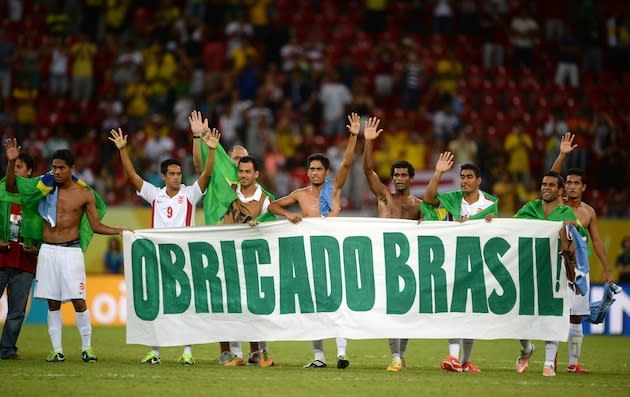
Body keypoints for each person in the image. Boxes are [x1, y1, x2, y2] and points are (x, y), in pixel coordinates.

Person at [6, 142, 127, 363]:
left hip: (71, 251)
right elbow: (13, 187)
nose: (57, 172)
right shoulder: (43, 188)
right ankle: (57, 350)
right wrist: (12, 160)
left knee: (79, 301)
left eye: (62, 167)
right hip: (47, 250)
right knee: (52, 302)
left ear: (72, 168)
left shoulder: (84, 194)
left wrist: (118, 231)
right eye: (54, 167)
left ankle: (87, 348)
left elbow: (96, 225)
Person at [109, 124, 219, 366]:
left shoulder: (190, 194)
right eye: (172, 174)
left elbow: (207, 176)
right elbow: (132, 177)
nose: (177, 177)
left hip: (184, 257)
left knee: (184, 304)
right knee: (157, 304)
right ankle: (154, 352)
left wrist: (210, 151)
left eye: (179, 173)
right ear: (163, 176)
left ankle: (188, 352)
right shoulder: (154, 194)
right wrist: (123, 150)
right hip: (158, 256)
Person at [268, 112, 360, 369]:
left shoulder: (335, 188)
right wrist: (289, 215)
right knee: (314, 306)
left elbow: (348, 164)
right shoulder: (300, 195)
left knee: (338, 303)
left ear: (326, 172)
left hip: (334, 253)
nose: (315, 172)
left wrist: (353, 136)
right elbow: (272, 206)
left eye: (320, 169)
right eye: (312, 169)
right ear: (307, 172)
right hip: (309, 256)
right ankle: (319, 357)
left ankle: (341, 353)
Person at [189, 110, 272, 367]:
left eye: (243, 160)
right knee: (223, 301)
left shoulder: (259, 193)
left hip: (246, 252)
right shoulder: (217, 179)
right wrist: (197, 138)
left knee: (251, 300)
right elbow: (199, 167)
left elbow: (271, 219)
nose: (238, 163)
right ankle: (226, 351)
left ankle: (256, 350)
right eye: (235, 158)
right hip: (220, 247)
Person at [421, 152, 498, 373]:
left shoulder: (491, 203)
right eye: (462, 176)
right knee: (456, 309)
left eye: (469, 177)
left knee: (471, 314)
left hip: (479, 264)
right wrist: (438, 172)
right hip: (455, 262)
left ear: (478, 180)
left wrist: (486, 223)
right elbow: (428, 200)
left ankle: (465, 361)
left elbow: (495, 232)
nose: (464, 180)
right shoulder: (454, 199)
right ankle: (453, 357)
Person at [550, 132, 614, 373]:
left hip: (579, 270)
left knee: (576, 318)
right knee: (555, 314)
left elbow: (597, 242)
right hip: (556, 267)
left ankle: (573, 362)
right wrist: (562, 155)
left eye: (577, 183)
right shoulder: (558, 204)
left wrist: (607, 270)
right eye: (569, 182)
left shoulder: (588, 213)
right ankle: (551, 357)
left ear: (584, 187)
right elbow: (551, 178)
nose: (572, 186)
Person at [362, 116, 421, 372]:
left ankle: (400, 355)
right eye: (395, 174)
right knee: (389, 311)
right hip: (382, 260)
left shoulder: (418, 206)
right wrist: (368, 143)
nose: (398, 178)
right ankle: (395, 357)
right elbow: (367, 170)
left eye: (403, 175)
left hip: (408, 263)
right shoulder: (384, 197)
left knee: (404, 312)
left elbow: (436, 228)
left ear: (411, 178)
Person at [513, 171, 578, 377]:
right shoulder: (530, 208)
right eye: (543, 184)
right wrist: (491, 221)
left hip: (554, 273)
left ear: (560, 191)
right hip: (527, 270)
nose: (546, 188)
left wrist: (571, 238)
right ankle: (526, 350)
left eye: (551, 185)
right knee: (519, 318)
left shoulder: (568, 215)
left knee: (552, 316)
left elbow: (577, 245)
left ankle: (549, 362)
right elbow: (508, 228)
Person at [0, 145, 42, 360]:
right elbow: (9, 183)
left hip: (25, 263)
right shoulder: (2, 192)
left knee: (17, 312)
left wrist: (37, 249)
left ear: (29, 172)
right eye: (13, 166)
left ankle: (7, 350)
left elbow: (47, 229)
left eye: (19, 166)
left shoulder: (37, 199)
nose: (16, 170)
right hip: (1, 259)